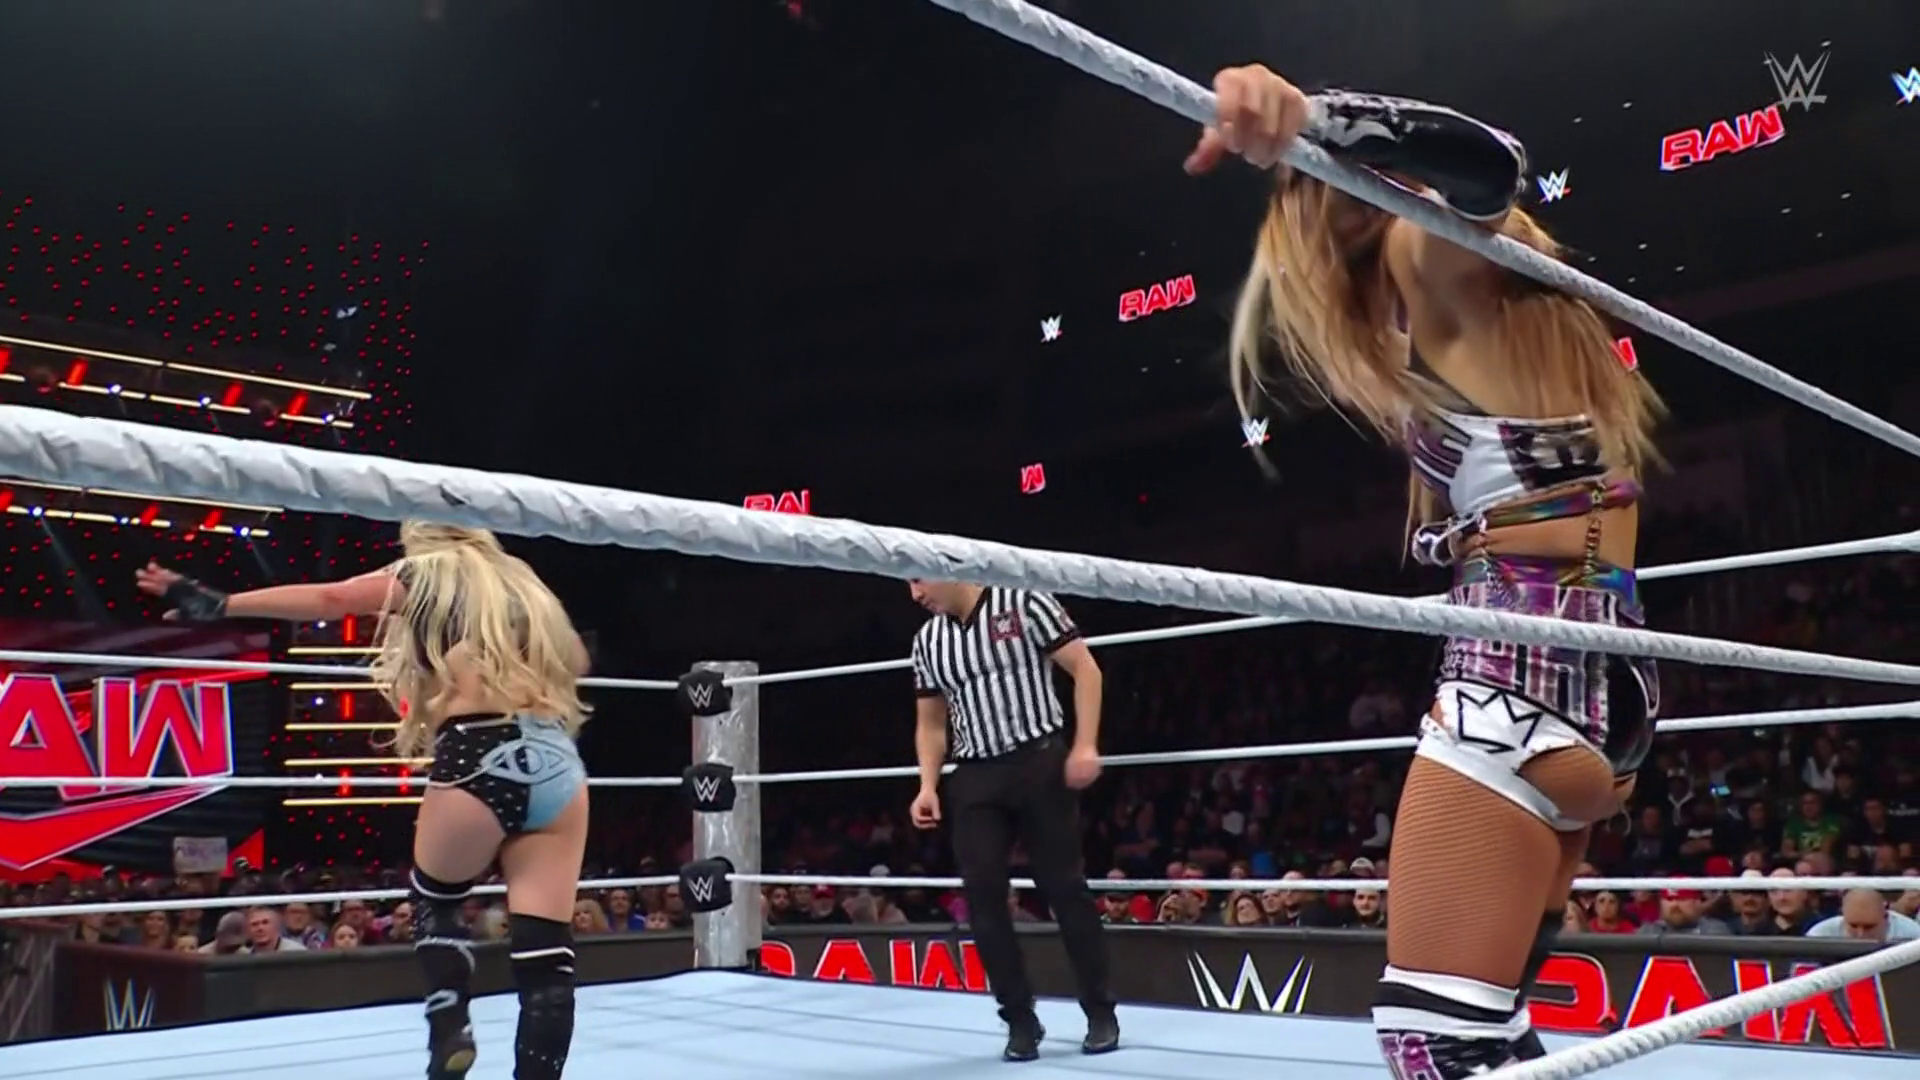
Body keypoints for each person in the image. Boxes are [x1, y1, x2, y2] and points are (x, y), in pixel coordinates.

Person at [1189, 66, 1664, 1077]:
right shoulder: (1505, 302)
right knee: (1497, 1033)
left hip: (1515, 676)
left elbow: (1494, 163)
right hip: (1605, 668)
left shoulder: (1429, 250)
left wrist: (1316, 118)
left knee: (1434, 1039)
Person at [137, 523, 591, 1080]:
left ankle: (450, 1027)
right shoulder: (525, 584)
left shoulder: (431, 571)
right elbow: (575, 659)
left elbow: (334, 598)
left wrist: (221, 603)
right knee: (547, 954)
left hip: (480, 748)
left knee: (436, 901)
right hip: (556, 759)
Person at [906, 579, 1118, 1060]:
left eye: (917, 579)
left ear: (945, 564)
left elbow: (1085, 669)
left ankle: (1100, 1010)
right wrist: (927, 785)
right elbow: (931, 722)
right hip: (975, 774)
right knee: (981, 895)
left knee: (1065, 888)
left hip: (1038, 760)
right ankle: (1019, 1019)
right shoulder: (927, 641)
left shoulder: (1023, 601)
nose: (915, 595)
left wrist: (1085, 744)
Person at [1807, 887, 1920, 942]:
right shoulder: (1820, 935)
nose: (1860, 935)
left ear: (1885, 916)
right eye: (1853, 926)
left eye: (1869, 927)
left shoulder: (1913, 935)